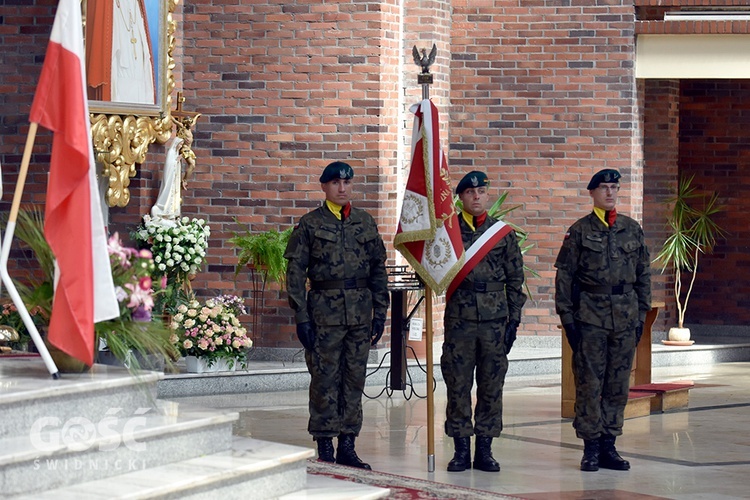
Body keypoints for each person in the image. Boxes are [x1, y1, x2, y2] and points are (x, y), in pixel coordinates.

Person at [284, 161, 389, 469]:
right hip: (323, 316)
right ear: (324, 187)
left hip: (359, 316)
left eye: (347, 183)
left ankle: (347, 444)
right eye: (335, 183)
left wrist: (379, 314)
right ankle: (325, 445)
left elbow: (378, 271)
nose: (342, 188)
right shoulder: (310, 225)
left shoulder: (365, 222)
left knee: (354, 380)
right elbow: (294, 273)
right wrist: (301, 316)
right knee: (324, 381)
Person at [554, 169, 651, 472]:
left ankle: (610, 445)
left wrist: (641, 316)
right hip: (590, 319)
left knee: (618, 384)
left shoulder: (631, 229)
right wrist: (568, 319)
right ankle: (591, 448)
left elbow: (643, 275)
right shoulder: (579, 231)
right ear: (592, 193)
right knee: (589, 383)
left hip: (625, 317)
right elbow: (565, 278)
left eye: (614, 187)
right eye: (604, 188)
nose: (610, 193)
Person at [441, 171, 527, 473]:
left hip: (494, 322)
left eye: (481, 191)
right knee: (458, 385)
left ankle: (485, 450)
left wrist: (513, 322)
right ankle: (461, 450)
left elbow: (516, 281)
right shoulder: (448, 233)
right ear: (461, 197)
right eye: (470, 192)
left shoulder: (502, 234)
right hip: (460, 321)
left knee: (491, 386)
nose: (477, 197)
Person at [86, 0, 156, 104]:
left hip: (140, 88)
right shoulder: (108, 5)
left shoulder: (137, 4)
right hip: (119, 86)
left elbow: (145, 55)